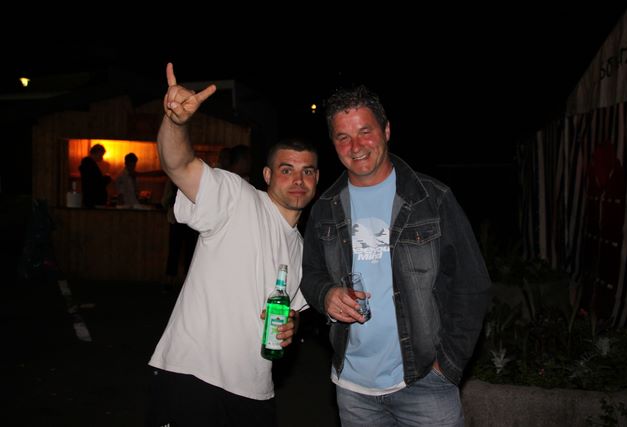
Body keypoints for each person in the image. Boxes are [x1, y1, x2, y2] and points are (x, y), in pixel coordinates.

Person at [300, 85, 491, 427]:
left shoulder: (433, 199)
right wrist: (326, 294)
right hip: (353, 390)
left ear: (386, 130)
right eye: (343, 137)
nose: (356, 146)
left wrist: (447, 366)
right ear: (333, 143)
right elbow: (310, 273)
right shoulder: (325, 208)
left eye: (365, 131)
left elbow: (472, 285)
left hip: (425, 382)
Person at [148, 63, 320, 427]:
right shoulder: (236, 197)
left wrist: (291, 325)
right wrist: (176, 123)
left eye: (307, 171)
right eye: (287, 169)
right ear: (267, 175)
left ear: (316, 179)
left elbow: (290, 313)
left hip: (256, 390)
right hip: (192, 378)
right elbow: (178, 165)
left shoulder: (304, 250)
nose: (298, 179)